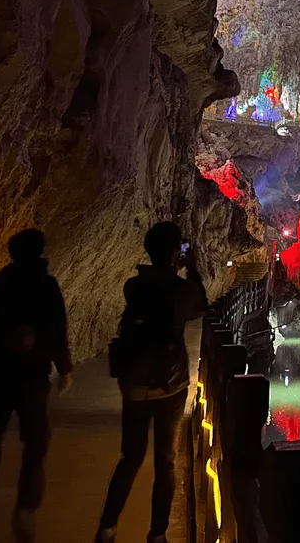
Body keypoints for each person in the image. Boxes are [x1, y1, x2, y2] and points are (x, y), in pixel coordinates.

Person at [95, 221, 207, 543]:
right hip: (169, 385)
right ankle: (157, 534)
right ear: (175, 253)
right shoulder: (179, 290)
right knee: (166, 462)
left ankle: (106, 528)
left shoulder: (133, 286)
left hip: (133, 383)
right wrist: (193, 269)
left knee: (130, 457)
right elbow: (200, 304)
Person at [0, 229, 73, 543]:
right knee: (36, 445)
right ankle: (25, 507)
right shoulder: (46, 286)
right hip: (33, 378)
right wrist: (64, 369)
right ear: (40, 252)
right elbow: (57, 330)